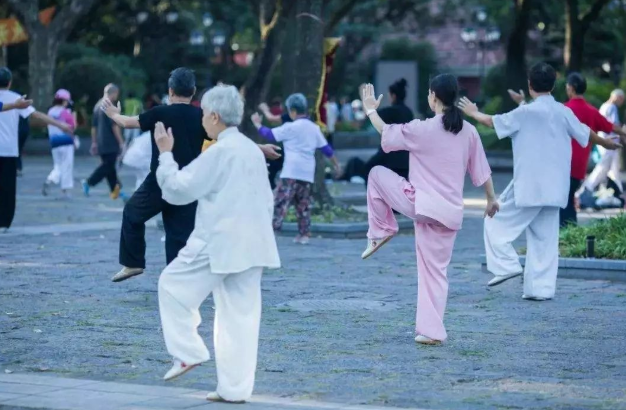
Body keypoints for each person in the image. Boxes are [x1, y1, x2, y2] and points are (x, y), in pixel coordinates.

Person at [154, 84, 280, 403]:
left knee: (171, 285)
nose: (202, 123)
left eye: (203, 116)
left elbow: (179, 189)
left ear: (213, 115)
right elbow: (267, 200)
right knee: (239, 317)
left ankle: (188, 351)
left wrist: (166, 154)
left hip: (220, 240)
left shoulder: (222, 151)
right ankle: (234, 389)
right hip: (254, 242)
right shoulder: (251, 149)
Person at [458, 62, 621, 301]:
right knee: (545, 240)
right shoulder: (563, 112)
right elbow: (586, 133)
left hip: (529, 187)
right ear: (554, 85)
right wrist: (607, 143)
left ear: (530, 85)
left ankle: (506, 266)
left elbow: (493, 122)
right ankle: (540, 290)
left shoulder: (525, 113)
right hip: (556, 188)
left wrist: (473, 113)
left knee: (495, 221)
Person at [102, 68, 281, 282]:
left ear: (170, 90)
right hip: (189, 180)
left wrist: (112, 113)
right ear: (193, 91)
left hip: (158, 181)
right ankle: (179, 278)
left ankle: (133, 263)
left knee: (132, 213)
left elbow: (125, 122)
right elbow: (228, 138)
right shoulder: (200, 116)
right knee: (179, 234)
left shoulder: (159, 112)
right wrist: (260, 147)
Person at [360, 75, 498, 345]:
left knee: (376, 173)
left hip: (421, 205)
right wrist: (491, 200)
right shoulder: (468, 131)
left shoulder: (423, 128)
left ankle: (382, 228)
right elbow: (482, 171)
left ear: (434, 96)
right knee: (436, 273)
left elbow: (385, 133)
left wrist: (370, 110)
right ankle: (432, 332)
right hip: (449, 214)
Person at [508, 74, 626, 227]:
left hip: (560, 164)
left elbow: (537, 118)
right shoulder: (591, 111)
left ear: (570, 88)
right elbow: (611, 127)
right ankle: (568, 235)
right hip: (579, 167)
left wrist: (522, 103)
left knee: (562, 203)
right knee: (568, 199)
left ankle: (566, 234)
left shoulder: (564, 110)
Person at [252, 93, 341, 244]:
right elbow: (327, 149)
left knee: (280, 202)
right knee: (303, 205)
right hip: (307, 172)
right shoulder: (314, 128)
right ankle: (304, 234)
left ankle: (271, 230)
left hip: (291, 171)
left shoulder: (290, 127)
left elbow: (270, 135)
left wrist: (257, 124)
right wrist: (336, 165)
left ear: (292, 111)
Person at [0, 67, 72, 232]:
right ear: (9, 82)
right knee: (8, 187)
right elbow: (37, 115)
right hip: (9, 150)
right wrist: (60, 124)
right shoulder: (17, 99)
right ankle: (4, 222)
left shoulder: (15, 100)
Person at [342, 78, 414, 183]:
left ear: (393, 96)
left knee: (364, 168)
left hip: (389, 156)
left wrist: (364, 97)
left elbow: (371, 114)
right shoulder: (408, 112)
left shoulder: (391, 111)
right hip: (406, 159)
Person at [579, 89, 626, 209]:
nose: (622, 102)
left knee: (613, 171)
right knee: (602, 169)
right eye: (621, 99)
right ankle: (586, 190)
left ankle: (619, 192)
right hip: (609, 143)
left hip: (605, 142)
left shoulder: (604, 106)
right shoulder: (611, 108)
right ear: (617, 97)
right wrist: (623, 134)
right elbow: (613, 126)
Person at [83, 84, 125, 200]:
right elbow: (114, 126)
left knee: (110, 168)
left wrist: (94, 142)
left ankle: (116, 191)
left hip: (101, 142)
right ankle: (89, 182)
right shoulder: (109, 106)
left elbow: (94, 127)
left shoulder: (97, 106)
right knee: (107, 167)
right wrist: (121, 142)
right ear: (114, 93)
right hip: (111, 143)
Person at [42, 89, 78, 198]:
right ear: (64, 101)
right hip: (66, 142)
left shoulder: (50, 112)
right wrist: (74, 116)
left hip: (54, 142)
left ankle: (50, 179)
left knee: (58, 165)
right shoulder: (65, 112)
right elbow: (73, 127)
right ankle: (65, 190)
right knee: (67, 166)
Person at [259, 99, 291, 189]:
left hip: (273, 147)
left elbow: (270, 118)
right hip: (280, 149)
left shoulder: (284, 116)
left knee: (271, 172)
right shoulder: (286, 115)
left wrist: (264, 109)